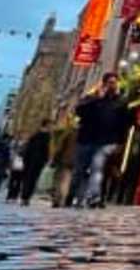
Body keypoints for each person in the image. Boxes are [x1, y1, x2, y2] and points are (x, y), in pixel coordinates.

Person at [69, 75, 124, 207]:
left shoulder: (120, 102)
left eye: (115, 83)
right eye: (110, 83)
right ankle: (74, 196)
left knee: (97, 167)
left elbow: (123, 122)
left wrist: (119, 142)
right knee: (80, 171)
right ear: (104, 84)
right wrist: (96, 98)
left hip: (105, 142)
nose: (113, 86)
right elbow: (79, 111)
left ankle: (93, 197)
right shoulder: (91, 98)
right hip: (86, 139)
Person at [18, 125, 52, 205]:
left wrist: (25, 159)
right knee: (33, 179)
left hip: (30, 161)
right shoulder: (47, 138)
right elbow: (46, 151)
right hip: (38, 162)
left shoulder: (34, 136)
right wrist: (46, 160)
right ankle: (27, 197)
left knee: (27, 178)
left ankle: (24, 196)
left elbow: (28, 148)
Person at [49, 118, 79, 206]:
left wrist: (54, 159)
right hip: (75, 161)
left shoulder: (68, 134)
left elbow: (60, 147)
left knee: (59, 180)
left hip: (64, 160)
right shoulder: (84, 136)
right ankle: (62, 200)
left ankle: (57, 199)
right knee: (67, 181)